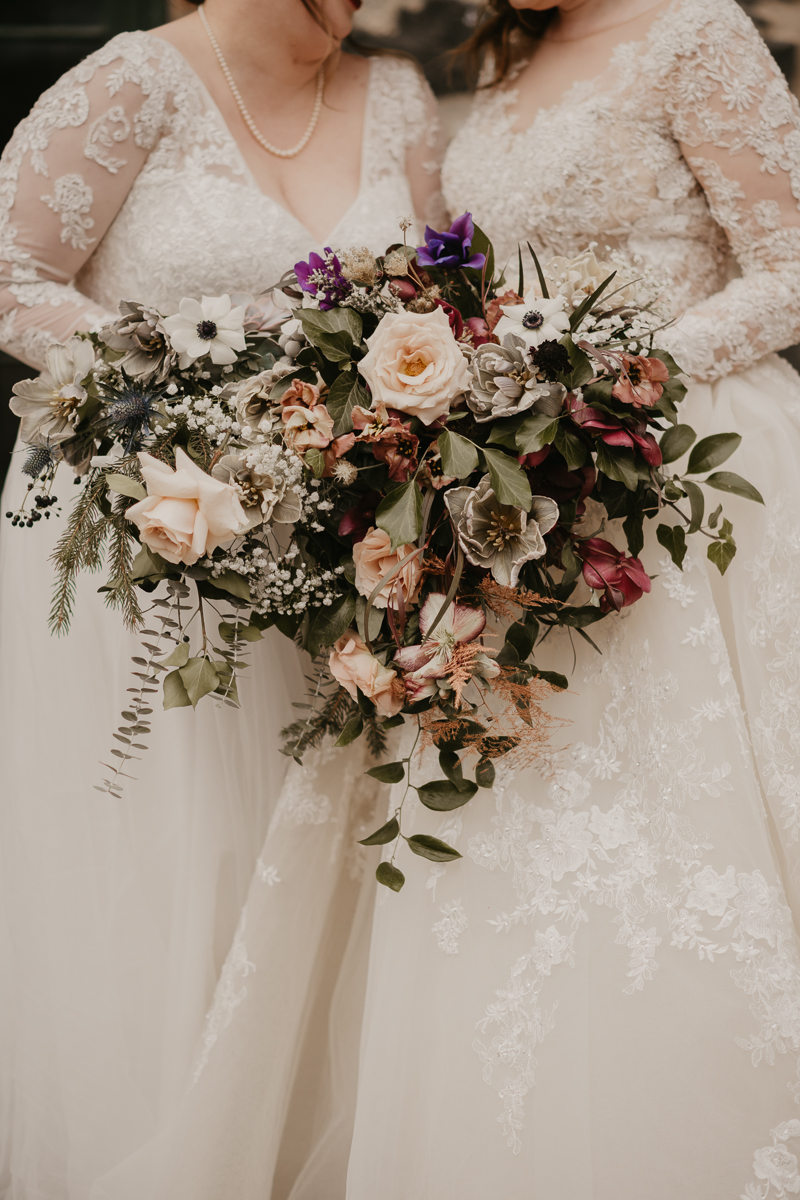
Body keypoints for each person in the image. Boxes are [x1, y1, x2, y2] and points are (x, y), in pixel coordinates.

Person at [122, 2, 800, 1197]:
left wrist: (625, 384)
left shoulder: (694, 31)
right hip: (517, 481)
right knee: (497, 794)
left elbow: (790, 263)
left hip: (678, 470)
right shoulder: (504, 50)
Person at [0, 1, 443, 1194]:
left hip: (325, 537)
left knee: (309, 840)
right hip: (142, 527)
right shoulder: (134, 81)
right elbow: (11, 274)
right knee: (164, 838)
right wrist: (179, 375)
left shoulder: (399, 95)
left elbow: (438, 307)